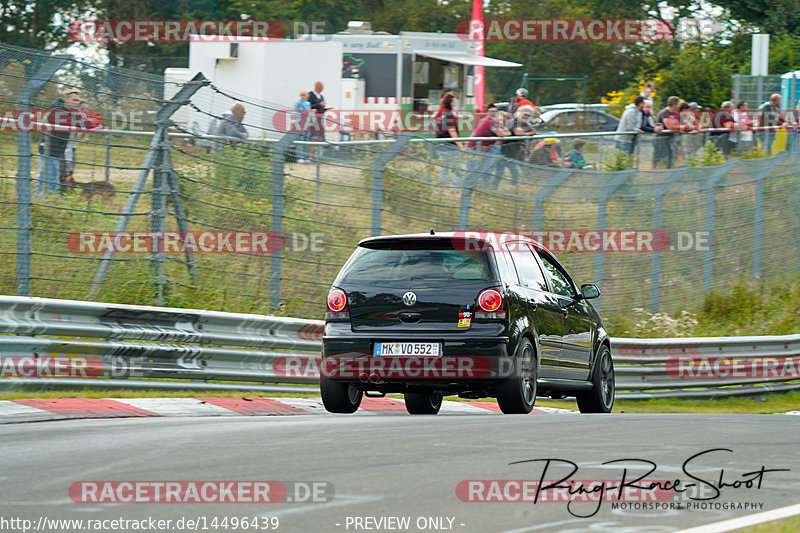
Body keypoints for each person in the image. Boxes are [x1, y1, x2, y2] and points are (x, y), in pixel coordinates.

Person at [38, 88, 82, 197]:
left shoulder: (68, 112)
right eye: (74, 100)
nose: (77, 103)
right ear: (66, 100)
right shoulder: (58, 110)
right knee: (51, 180)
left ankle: (39, 199)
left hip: (57, 151)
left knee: (46, 177)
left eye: (78, 101)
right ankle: (45, 200)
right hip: (49, 150)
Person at [496, 105, 537, 185]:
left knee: (516, 174)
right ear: (518, 113)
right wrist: (529, 133)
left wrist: (527, 133)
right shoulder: (513, 121)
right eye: (525, 114)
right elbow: (518, 133)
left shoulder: (526, 124)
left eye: (528, 115)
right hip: (502, 152)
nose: (526, 117)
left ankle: (514, 188)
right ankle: (491, 188)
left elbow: (533, 132)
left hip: (513, 152)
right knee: (499, 174)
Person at [434, 92, 463, 184]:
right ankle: (454, 187)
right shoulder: (448, 114)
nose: (455, 104)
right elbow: (452, 131)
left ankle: (441, 186)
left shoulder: (440, 114)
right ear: (449, 102)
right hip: (450, 146)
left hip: (441, 146)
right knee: (456, 167)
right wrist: (460, 145)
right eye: (453, 102)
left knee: (444, 168)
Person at [653, 96, 681, 168]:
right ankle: (656, 169)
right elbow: (668, 125)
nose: (679, 106)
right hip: (661, 139)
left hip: (667, 139)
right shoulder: (664, 113)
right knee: (661, 157)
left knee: (669, 156)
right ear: (674, 105)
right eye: (678, 104)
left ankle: (667, 169)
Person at [307, 81, 329, 159]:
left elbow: (322, 107)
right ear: (318, 87)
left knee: (319, 138)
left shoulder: (321, 96)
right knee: (314, 137)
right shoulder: (310, 95)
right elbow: (309, 106)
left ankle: (315, 156)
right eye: (322, 87)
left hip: (320, 119)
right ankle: (310, 156)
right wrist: (319, 104)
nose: (323, 88)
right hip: (313, 119)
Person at [293, 91, 312, 163]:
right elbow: (297, 113)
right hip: (300, 123)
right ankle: (299, 157)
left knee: (307, 140)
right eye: (302, 95)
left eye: (305, 95)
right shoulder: (298, 103)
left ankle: (305, 157)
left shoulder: (308, 103)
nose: (303, 97)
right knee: (300, 140)